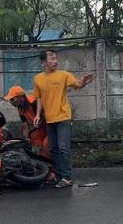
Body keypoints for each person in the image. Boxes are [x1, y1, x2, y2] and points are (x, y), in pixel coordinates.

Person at [32, 50, 93, 188]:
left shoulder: (63, 75)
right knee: (53, 148)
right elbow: (39, 98)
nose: (55, 61)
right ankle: (59, 174)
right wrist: (37, 115)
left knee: (64, 147)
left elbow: (77, 84)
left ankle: (67, 177)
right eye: (52, 58)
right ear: (43, 62)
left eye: (56, 58)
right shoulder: (38, 79)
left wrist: (84, 82)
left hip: (63, 116)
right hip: (49, 118)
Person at [3, 85, 51, 158]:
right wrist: (26, 138)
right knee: (34, 139)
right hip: (41, 128)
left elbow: (47, 118)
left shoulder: (33, 102)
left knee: (46, 144)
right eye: (10, 100)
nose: (11, 102)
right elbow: (25, 125)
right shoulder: (20, 108)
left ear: (20, 97)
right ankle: (44, 160)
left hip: (51, 126)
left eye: (12, 99)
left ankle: (53, 162)